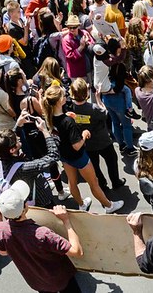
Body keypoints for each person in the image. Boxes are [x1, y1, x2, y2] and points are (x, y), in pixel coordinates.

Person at [40, 84, 124, 214]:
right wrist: (84, 135)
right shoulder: (68, 121)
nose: (66, 97)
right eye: (63, 95)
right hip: (79, 157)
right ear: (59, 101)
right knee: (94, 183)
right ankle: (108, 205)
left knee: (72, 182)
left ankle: (81, 204)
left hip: (65, 156)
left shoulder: (50, 118)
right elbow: (77, 145)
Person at [0, 181, 85, 293]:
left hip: (36, 281)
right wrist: (66, 221)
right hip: (60, 279)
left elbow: (3, 252)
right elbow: (77, 252)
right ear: (25, 207)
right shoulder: (42, 234)